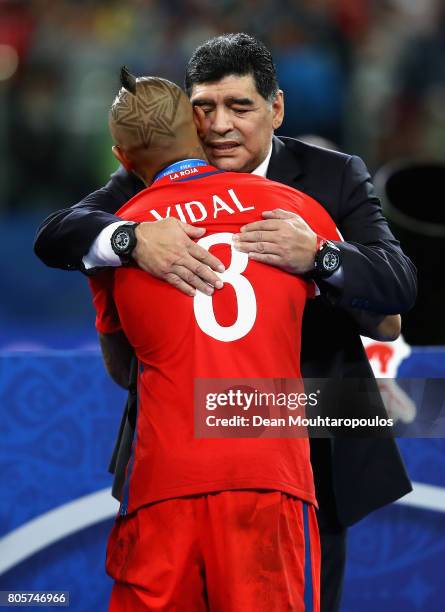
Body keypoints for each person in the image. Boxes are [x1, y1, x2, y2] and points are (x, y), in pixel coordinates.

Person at [34, 34, 416, 612]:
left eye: (240, 107)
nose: (220, 126)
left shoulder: (329, 177)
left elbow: (397, 290)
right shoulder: (148, 182)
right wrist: (130, 238)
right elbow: (59, 231)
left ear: (276, 109)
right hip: (194, 443)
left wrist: (320, 255)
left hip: (308, 436)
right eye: (205, 108)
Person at [91, 69, 351, 610]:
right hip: (269, 475)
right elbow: (387, 317)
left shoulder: (118, 236)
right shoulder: (294, 209)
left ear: (120, 156)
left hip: (164, 482)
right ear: (199, 126)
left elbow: (124, 371)